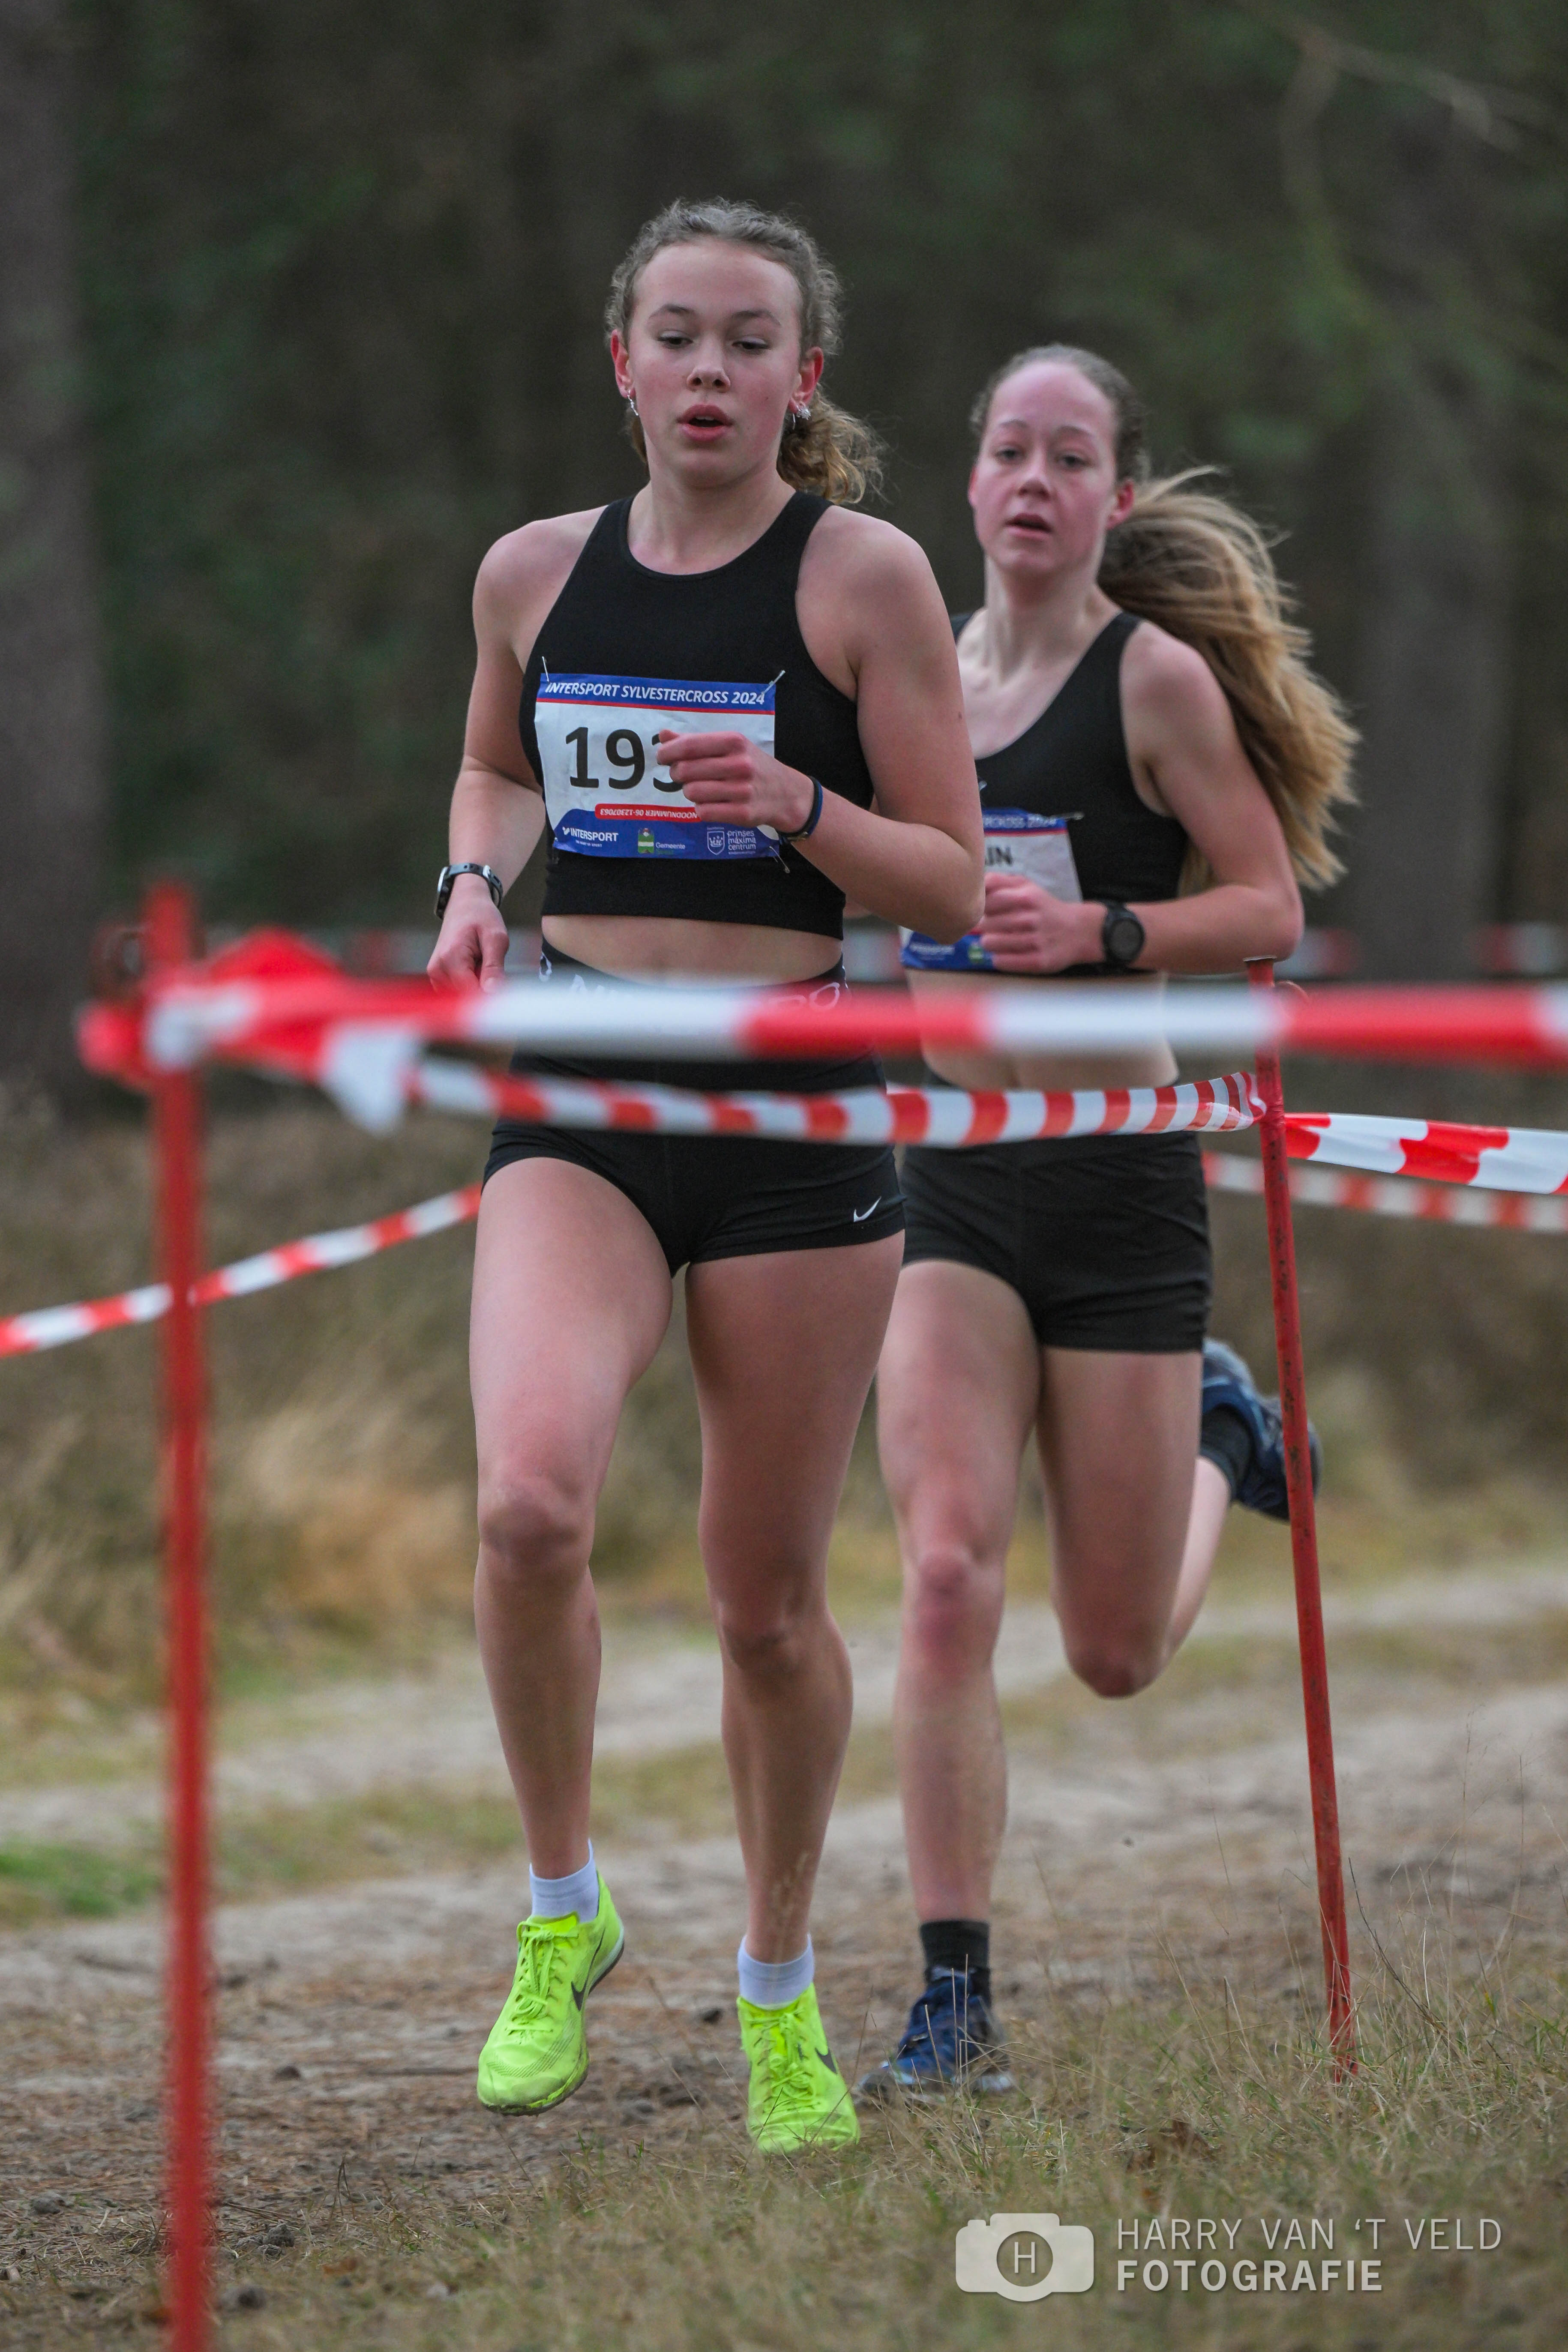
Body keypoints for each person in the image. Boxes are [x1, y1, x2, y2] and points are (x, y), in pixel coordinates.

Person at [426, 199, 983, 2151]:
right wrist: (473, 885)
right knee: (527, 1505)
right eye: (678, 336)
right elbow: (500, 770)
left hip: (793, 1111)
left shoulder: (865, 578)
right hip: (581, 1084)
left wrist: (803, 804)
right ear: (625, 362)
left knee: (763, 1607)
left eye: (752, 343)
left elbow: (951, 879)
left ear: (801, 379)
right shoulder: (531, 571)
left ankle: (777, 1984)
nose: (712, 373)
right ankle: (560, 1913)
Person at [861, 344, 1355, 2098]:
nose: (1034, 480)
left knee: (1116, 1652)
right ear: (969, 478)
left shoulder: (1150, 679)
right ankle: (954, 1997)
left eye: (1069, 456)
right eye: (1010, 448)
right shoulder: (907, 678)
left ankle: (1225, 1430)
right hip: (958, 1178)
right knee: (943, 1572)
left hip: (1122, 1178)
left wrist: (1105, 938)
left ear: (1114, 496)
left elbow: (1266, 903)